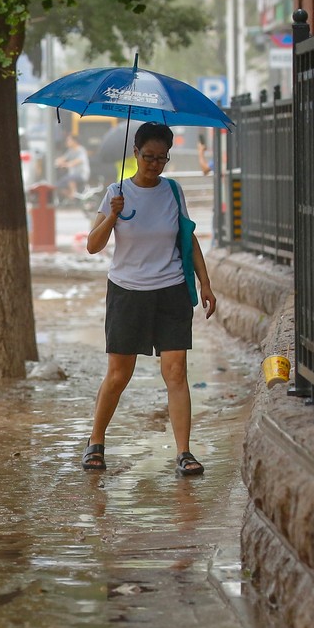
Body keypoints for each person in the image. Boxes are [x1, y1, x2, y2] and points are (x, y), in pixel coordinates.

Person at [81, 121, 217, 477]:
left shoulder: (173, 191)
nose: (154, 164)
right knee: (118, 374)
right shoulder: (116, 192)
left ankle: (184, 452)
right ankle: (96, 442)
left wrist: (205, 283)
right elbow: (93, 246)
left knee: (176, 371)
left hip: (171, 291)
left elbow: (189, 240)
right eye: (148, 157)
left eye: (162, 158)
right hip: (127, 293)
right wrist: (112, 214)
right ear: (136, 154)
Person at [54, 133, 90, 198]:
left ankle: (73, 194)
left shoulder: (81, 150)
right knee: (57, 185)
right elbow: (63, 158)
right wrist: (56, 162)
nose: (67, 142)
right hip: (72, 175)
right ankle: (72, 196)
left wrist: (66, 165)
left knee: (70, 178)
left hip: (82, 175)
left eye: (68, 140)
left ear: (74, 141)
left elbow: (77, 161)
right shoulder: (70, 151)